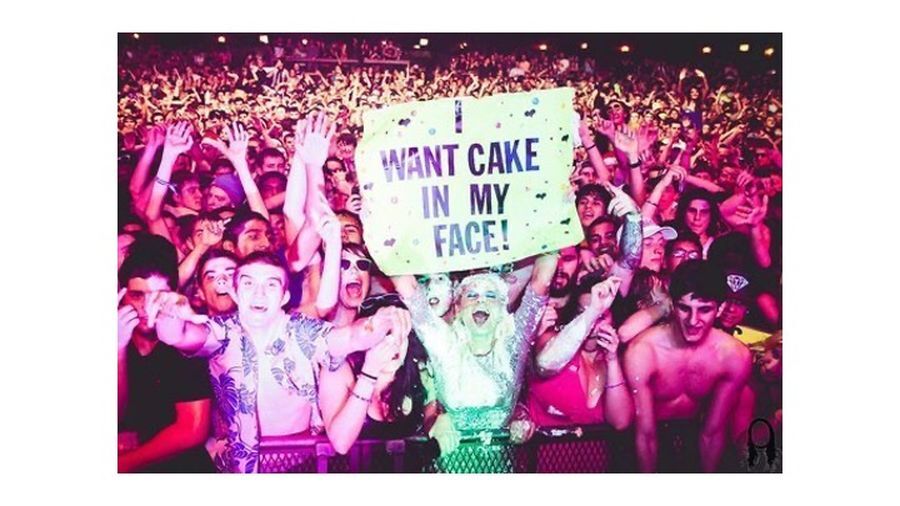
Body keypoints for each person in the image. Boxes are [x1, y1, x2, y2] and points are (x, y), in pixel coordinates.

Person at [146, 251, 412, 473]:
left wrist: (383, 319)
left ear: (284, 297)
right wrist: (170, 310)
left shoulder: (302, 330)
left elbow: (352, 336)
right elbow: (176, 335)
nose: (259, 294)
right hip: (240, 469)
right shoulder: (221, 333)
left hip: (300, 465)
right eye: (249, 284)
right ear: (236, 293)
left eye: (271, 284)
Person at [389, 252, 558, 471]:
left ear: (501, 309)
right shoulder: (445, 345)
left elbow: (540, 285)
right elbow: (411, 293)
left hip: (499, 469)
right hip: (448, 468)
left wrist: (554, 231)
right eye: (472, 295)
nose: (481, 300)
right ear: (458, 308)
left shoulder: (513, 344)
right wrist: (387, 238)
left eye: (490, 295)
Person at [624, 259, 751, 472]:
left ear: (720, 309)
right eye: (684, 308)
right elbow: (645, 435)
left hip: (694, 439)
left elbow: (713, 432)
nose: (693, 321)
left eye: (704, 310)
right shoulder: (643, 351)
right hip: (645, 440)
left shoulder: (734, 356)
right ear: (673, 306)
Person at [117, 243, 214, 472]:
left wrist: (123, 464)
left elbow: (193, 430)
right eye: (137, 295)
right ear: (121, 295)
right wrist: (118, 349)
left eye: (158, 297)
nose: (146, 307)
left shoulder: (184, 340)